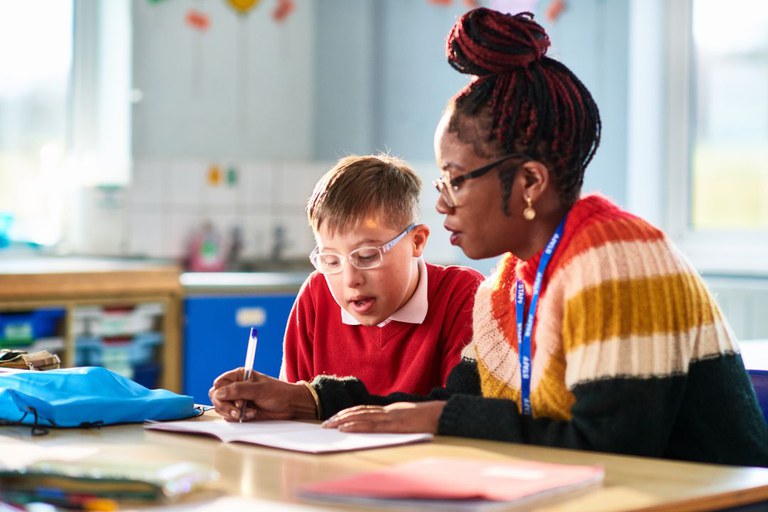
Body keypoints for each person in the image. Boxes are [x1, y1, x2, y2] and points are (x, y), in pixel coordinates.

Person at [210, 8, 768, 467]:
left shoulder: (615, 259)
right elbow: (446, 403)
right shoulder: (510, 284)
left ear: (528, 182)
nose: (443, 201)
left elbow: (611, 449)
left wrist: (442, 416)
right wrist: (306, 400)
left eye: (456, 179)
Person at [282, 154, 483, 396]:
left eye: (367, 256)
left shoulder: (461, 294)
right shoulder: (316, 294)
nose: (349, 279)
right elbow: (293, 405)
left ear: (416, 241)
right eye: (331, 260)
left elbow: (459, 412)